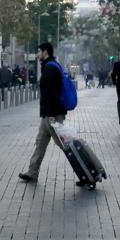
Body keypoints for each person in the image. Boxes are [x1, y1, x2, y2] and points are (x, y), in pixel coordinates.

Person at [19, 43, 68, 183]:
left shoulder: (51, 68)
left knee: (64, 145)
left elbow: (51, 93)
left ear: (45, 52)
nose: (37, 54)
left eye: (38, 51)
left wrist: (51, 115)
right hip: (47, 114)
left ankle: (85, 170)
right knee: (40, 142)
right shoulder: (49, 66)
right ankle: (32, 172)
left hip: (52, 114)